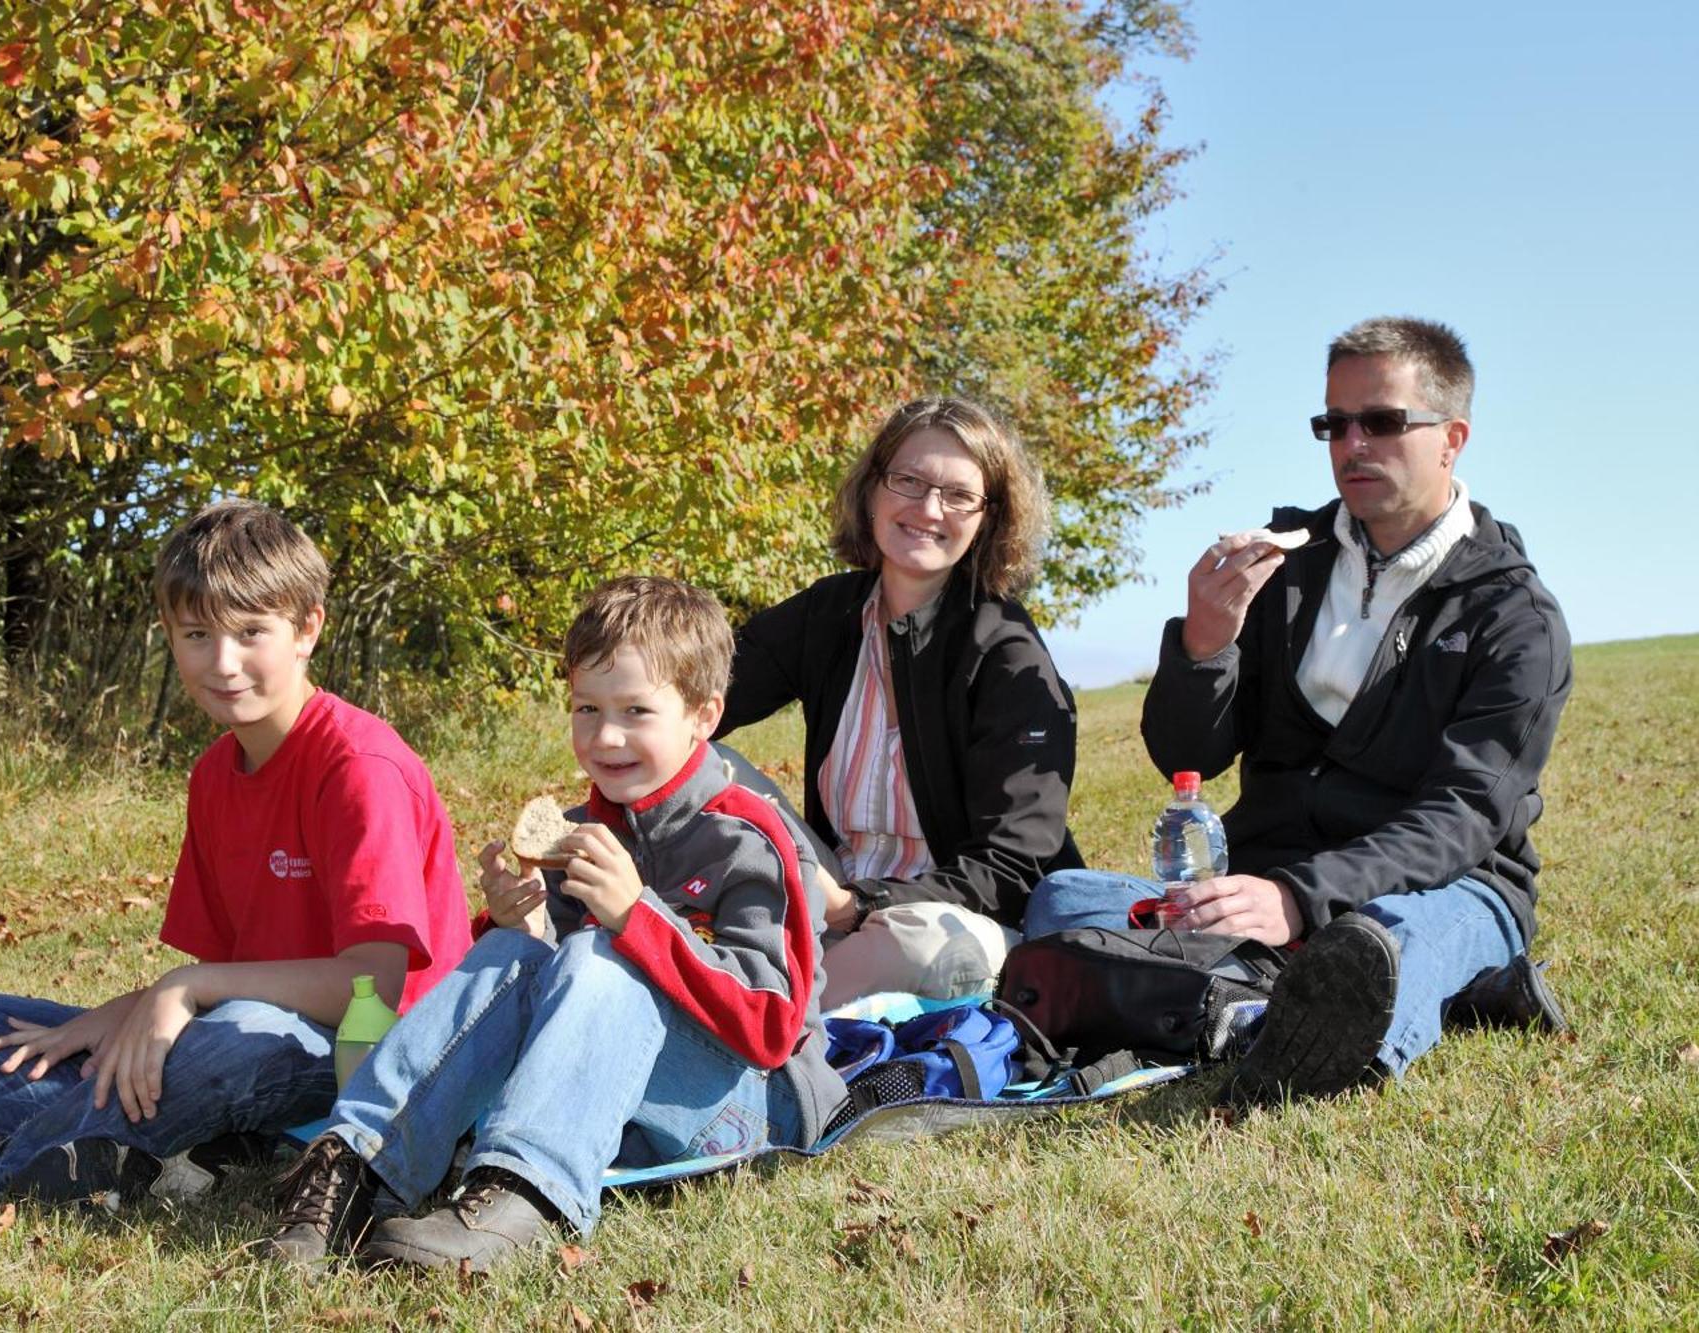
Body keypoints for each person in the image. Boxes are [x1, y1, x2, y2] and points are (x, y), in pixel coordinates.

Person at [1024, 316, 1571, 1102]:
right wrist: (1205, 644)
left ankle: (1280, 997)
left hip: (1447, 886)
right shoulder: (1283, 565)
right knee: (1063, 899)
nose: (1353, 444)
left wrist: (1300, 898)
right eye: (1334, 423)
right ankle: (1288, 1003)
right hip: (1266, 874)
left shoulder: (1515, 616)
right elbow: (1188, 752)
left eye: (1382, 421)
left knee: (1384, 945)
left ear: (1452, 437)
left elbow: (1463, 816)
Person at [0, 500, 474, 1202]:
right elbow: (230, 969)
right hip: (242, 1033)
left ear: (308, 628)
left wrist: (181, 989)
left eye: (252, 632)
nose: (223, 663)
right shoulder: (216, 774)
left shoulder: (360, 765)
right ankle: (166, 1144)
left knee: (240, 1035)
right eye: (197, 634)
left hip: (367, 1057)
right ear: (169, 633)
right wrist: (116, 1019)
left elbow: (371, 987)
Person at [264, 576, 846, 1273]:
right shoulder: (582, 832)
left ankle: (522, 1191)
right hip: (612, 1094)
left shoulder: (749, 838)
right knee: (517, 952)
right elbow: (529, 1004)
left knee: (606, 953)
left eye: (636, 710)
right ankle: (358, 1167)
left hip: (748, 1104)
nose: (606, 735)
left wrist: (637, 916)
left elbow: (773, 1026)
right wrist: (518, 921)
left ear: (704, 714)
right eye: (586, 708)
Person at [717, 397, 1083, 1008]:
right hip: (833, 889)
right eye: (908, 480)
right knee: (687, 754)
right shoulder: (828, 613)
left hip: (951, 918)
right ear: (872, 489)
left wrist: (864, 905)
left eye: (958, 494)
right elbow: (698, 697)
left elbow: (1012, 866)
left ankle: (767, 1026)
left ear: (989, 517)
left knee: (909, 948)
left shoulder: (1009, 656)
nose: (928, 509)